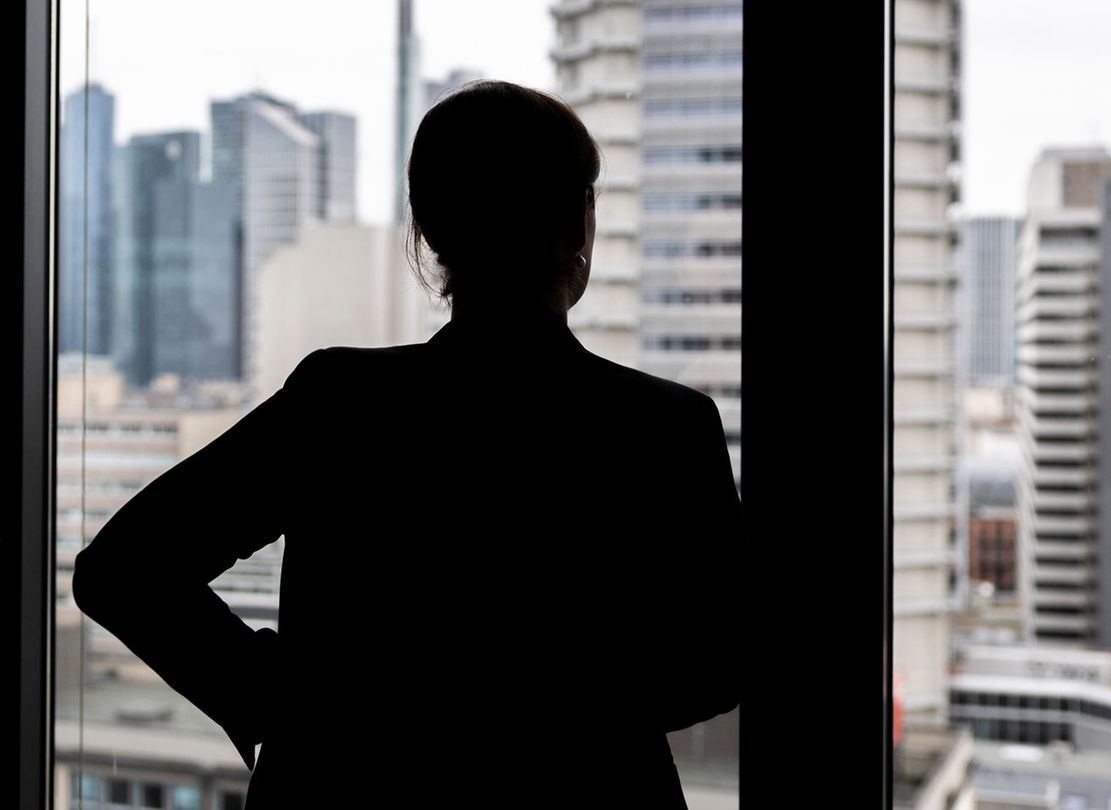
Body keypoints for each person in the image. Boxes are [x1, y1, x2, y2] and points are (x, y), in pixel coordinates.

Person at [73, 79, 746, 809]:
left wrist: (276, 698)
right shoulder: (667, 426)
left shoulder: (341, 402)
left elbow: (121, 570)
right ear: (580, 226)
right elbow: (720, 661)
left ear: (426, 227)